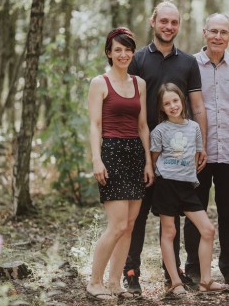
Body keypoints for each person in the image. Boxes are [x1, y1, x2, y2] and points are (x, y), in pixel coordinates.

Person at [124, 0, 207, 293]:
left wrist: (201, 145)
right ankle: (131, 270)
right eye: (164, 21)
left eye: (174, 22)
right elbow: (126, 102)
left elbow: (197, 106)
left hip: (179, 155)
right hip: (140, 148)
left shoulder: (188, 62)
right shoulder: (137, 60)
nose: (169, 27)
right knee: (139, 212)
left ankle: (172, 272)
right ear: (153, 22)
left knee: (171, 215)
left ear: (178, 26)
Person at [86, 27, 154, 300]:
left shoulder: (140, 84)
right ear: (109, 53)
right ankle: (94, 282)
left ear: (132, 53)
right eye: (118, 50)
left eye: (127, 49)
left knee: (129, 225)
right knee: (116, 225)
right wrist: (96, 159)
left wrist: (148, 162)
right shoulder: (99, 83)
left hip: (135, 154)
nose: (123, 54)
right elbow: (94, 125)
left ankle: (115, 284)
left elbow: (142, 126)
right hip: (112, 152)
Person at [183, 13, 229, 287]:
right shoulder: (189, 65)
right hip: (197, 152)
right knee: (194, 210)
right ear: (204, 33)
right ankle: (193, 267)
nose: (218, 36)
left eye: (223, 32)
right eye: (213, 31)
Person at [151, 83, 229, 296]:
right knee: (169, 232)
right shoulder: (159, 131)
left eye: (175, 100)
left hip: (187, 186)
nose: (172, 106)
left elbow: (196, 157)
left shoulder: (194, 127)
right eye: (167, 103)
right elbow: (154, 159)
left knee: (208, 230)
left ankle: (205, 280)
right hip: (167, 185)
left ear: (182, 100)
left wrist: (188, 174)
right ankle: (175, 283)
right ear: (162, 108)